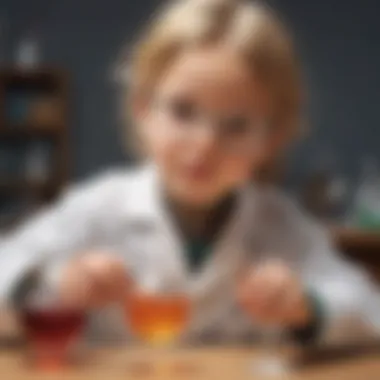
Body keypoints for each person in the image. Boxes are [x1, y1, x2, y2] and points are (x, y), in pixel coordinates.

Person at [1, 0, 379, 346]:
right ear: (143, 110)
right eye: (183, 111)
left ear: (271, 139)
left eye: (236, 126)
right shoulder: (96, 209)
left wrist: (307, 306)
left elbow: (369, 311)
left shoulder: (280, 226)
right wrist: (52, 282)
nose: (204, 146)